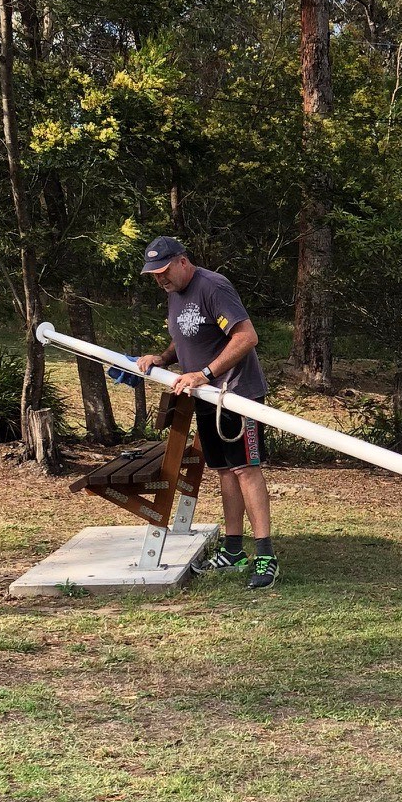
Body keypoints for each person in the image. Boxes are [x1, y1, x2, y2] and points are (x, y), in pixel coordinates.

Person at [134, 237, 278, 590]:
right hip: (206, 396)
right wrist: (163, 358)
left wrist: (205, 373)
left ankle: (266, 556)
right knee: (225, 471)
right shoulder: (175, 292)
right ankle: (233, 550)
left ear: (182, 262)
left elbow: (246, 337)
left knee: (246, 470)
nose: (160, 279)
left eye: (164, 271)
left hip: (236, 395)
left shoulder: (213, 286)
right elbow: (186, 333)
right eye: (154, 275)